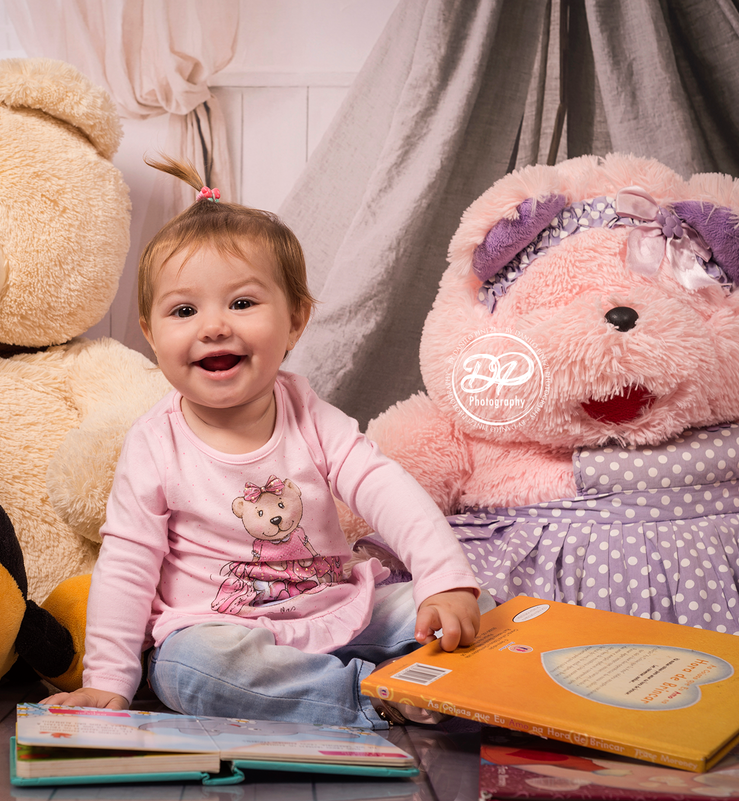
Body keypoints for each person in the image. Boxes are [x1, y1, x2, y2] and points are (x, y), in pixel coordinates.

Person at [43, 156, 482, 728]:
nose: (214, 325)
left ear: (296, 319)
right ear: (150, 333)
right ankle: (373, 699)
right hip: (226, 633)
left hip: (339, 610)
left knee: (469, 612)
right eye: (183, 310)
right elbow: (127, 564)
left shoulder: (308, 415)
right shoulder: (155, 444)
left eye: (243, 303)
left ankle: (427, 684)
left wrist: (445, 581)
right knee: (186, 670)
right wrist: (107, 680)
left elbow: (385, 488)